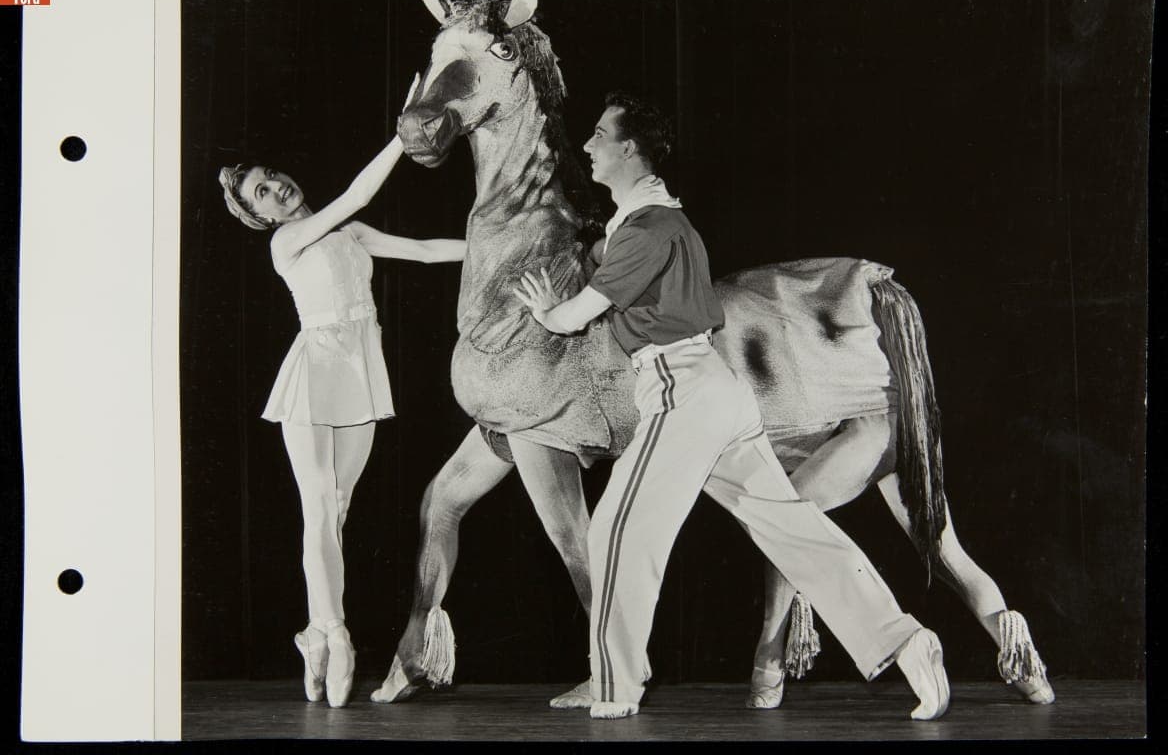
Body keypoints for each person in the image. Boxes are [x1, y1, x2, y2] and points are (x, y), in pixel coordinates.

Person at [514, 90, 950, 721]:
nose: (588, 146)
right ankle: (905, 640)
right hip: (718, 393)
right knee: (793, 529)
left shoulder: (648, 229)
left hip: (681, 391)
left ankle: (612, 686)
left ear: (630, 148)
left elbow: (574, 318)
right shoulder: (665, 222)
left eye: (599, 135)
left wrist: (544, 310)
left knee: (614, 529)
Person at [218, 80, 465, 709]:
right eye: (263, 195)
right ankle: (334, 630)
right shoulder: (285, 243)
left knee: (338, 512)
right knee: (319, 510)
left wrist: (500, 250)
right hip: (314, 375)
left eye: (273, 176)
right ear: (261, 217)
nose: (277, 188)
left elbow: (425, 250)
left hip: (360, 370)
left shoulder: (349, 234)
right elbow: (358, 189)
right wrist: (402, 133)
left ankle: (311, 633)